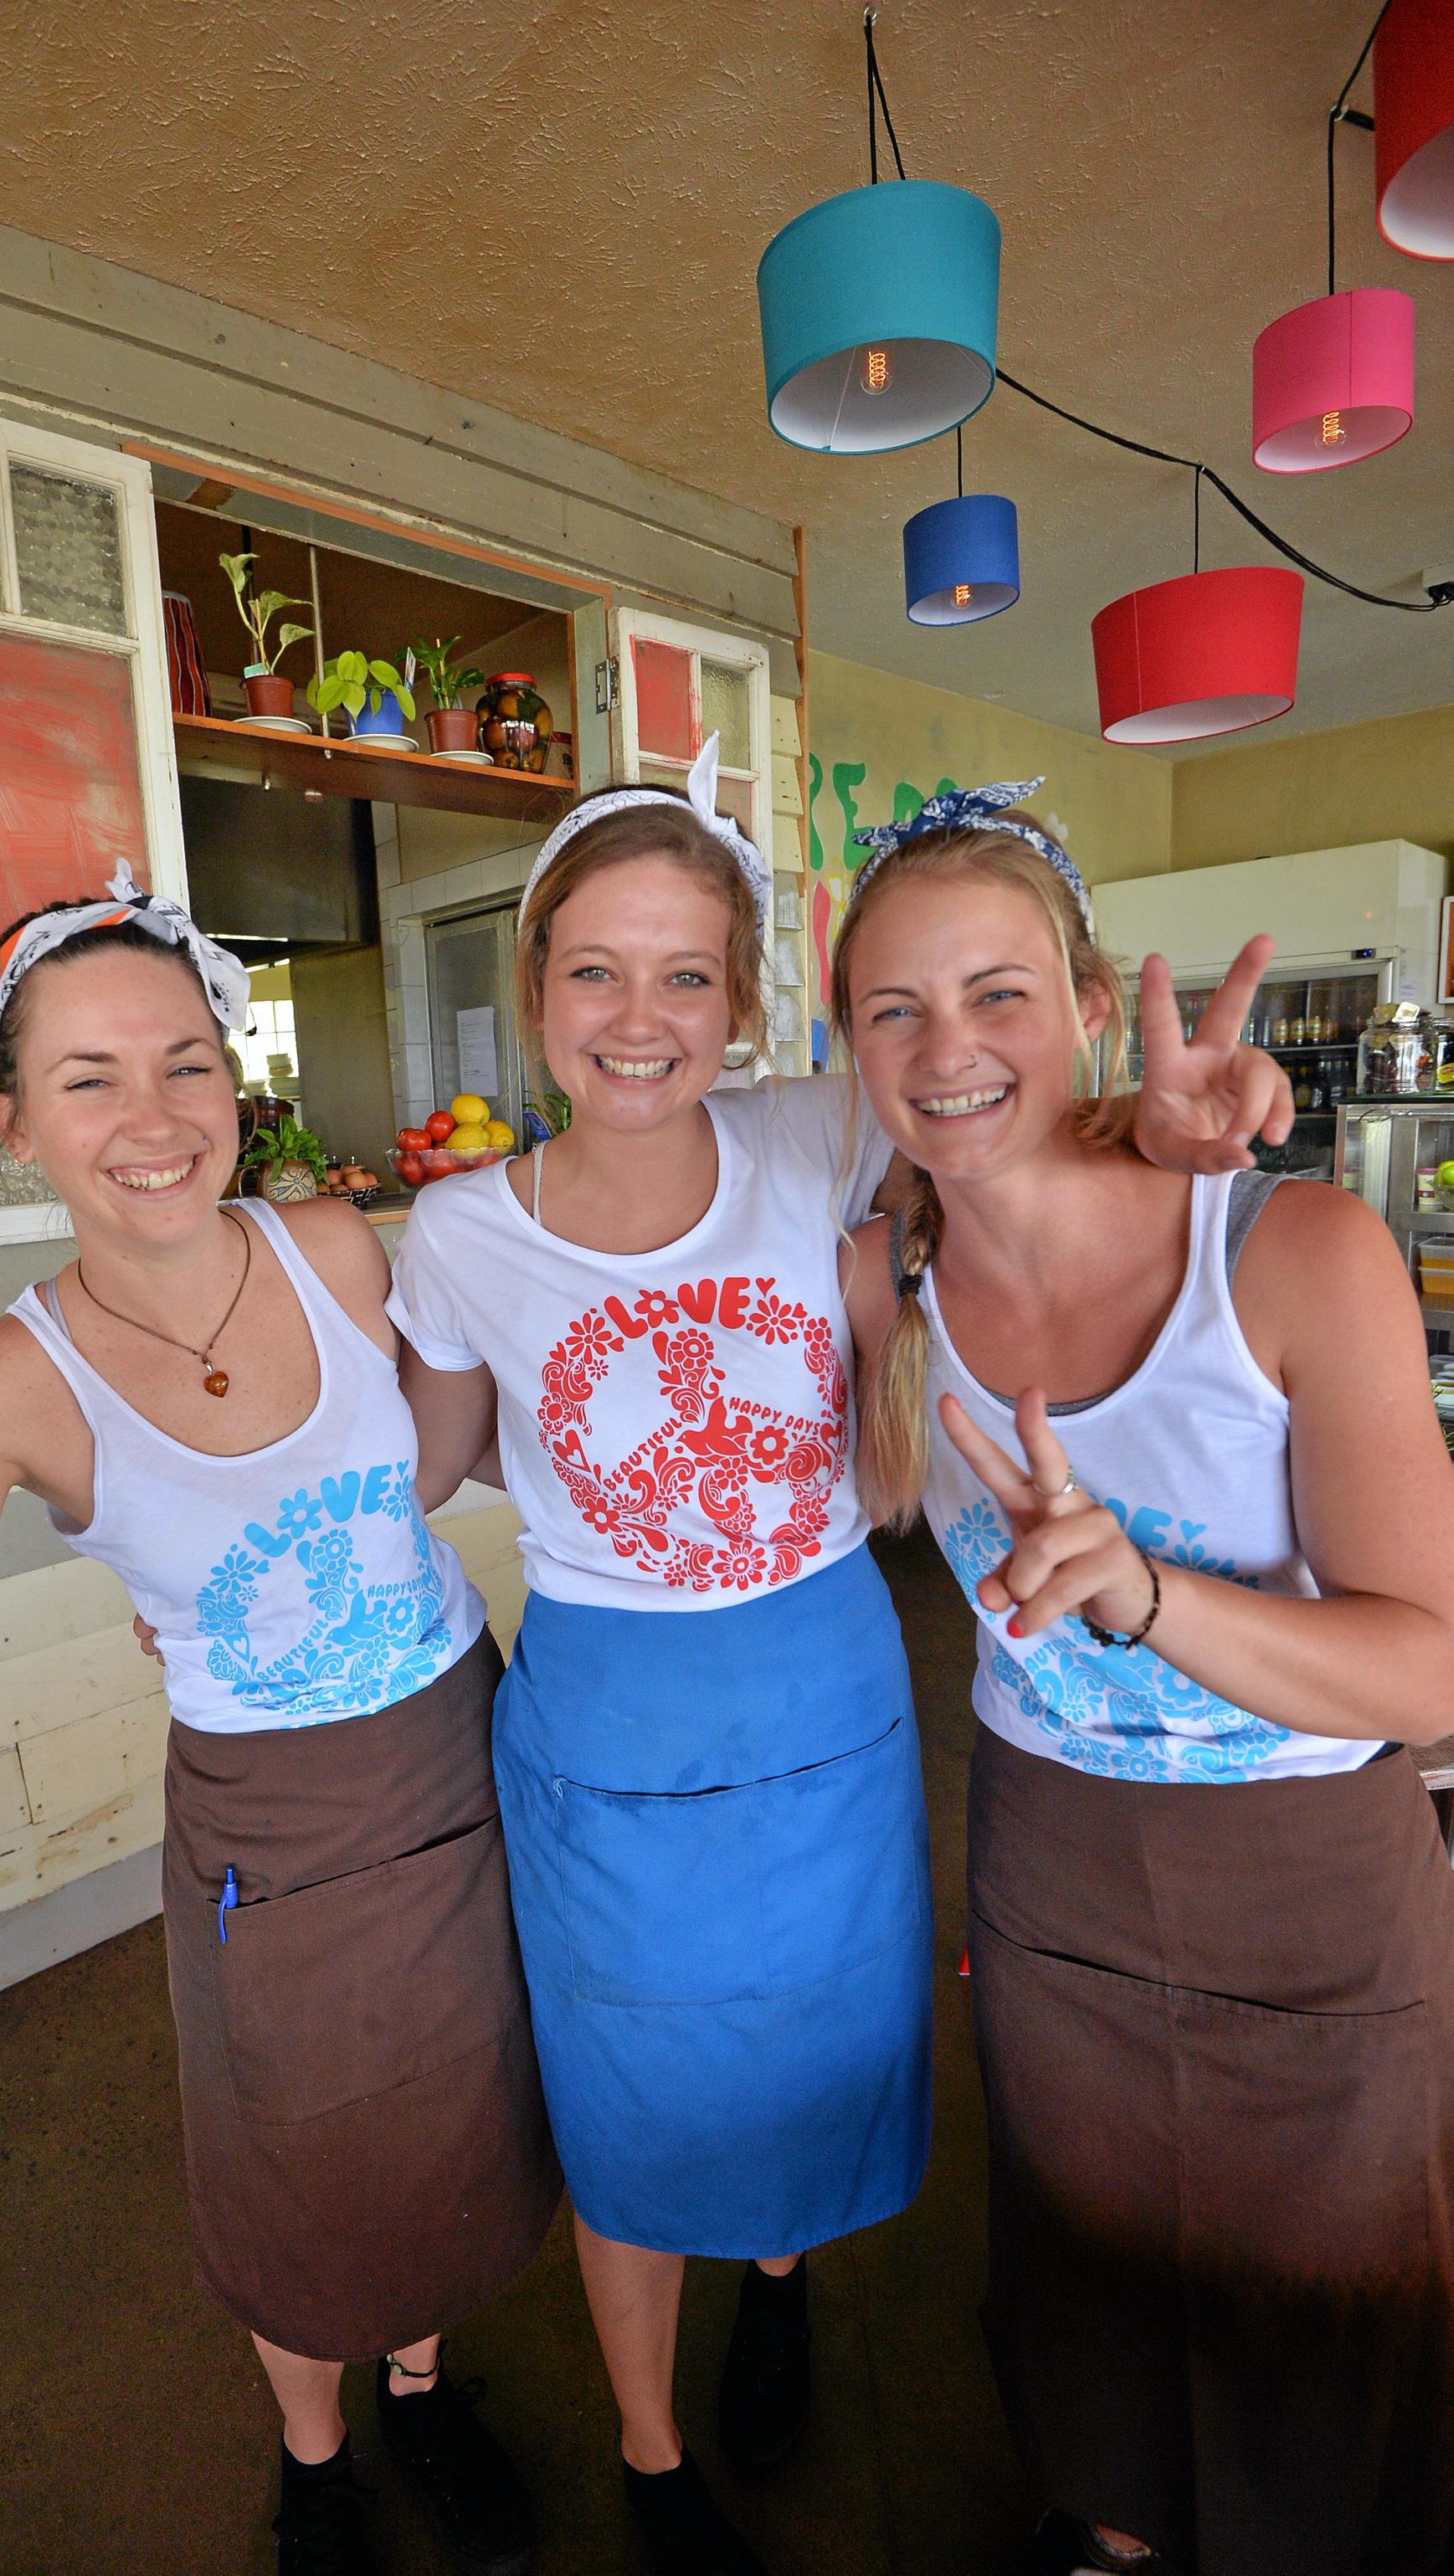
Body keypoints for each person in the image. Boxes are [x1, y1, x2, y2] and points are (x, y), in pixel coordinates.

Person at [385, 746, 1295, 2576]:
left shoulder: (816, 1129)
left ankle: (781, 2281)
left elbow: (1005, 1124)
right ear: (534, 982)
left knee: (813, 2038)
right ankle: (649, 2455)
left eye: (688, 976)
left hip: (820, 1679)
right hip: (607, 1706)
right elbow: (421, 1465)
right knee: (625, 2081)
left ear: (742, 1003)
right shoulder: (462, 1231)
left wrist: (1166, 1133)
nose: (639, 1020)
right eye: (595, 971)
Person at [0, 877, 560, 2576]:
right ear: (12, 1118)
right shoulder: (7, 1389)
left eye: (186, 1064)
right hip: (269, 1826)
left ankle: (421, 2389)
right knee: (296, 2157)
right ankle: (319, 2459)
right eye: (92, 1077)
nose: (154, 1117)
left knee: (462, 2108)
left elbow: (395, 1486)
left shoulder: (335, 1249)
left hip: (456, 1752)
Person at [831, 783, 1454, 2576]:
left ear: (1092, 1000)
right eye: (896, 1009)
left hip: (1308, 1890)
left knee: (1322, 2291)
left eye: (998, 993)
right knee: (1083, 2260)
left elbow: (1427, 1674)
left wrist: (1144, 1592)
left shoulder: (1288, 1255)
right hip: (1050, 1861)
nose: (948, 1049)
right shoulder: (888, 1276)